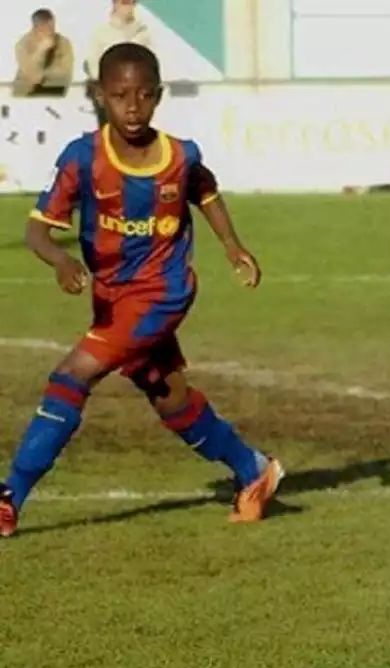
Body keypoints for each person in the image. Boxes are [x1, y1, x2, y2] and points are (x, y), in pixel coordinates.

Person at [0, 43, 284, 539]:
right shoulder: (82, 158)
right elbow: (37, 231)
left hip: (162, 292)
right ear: (99, 96)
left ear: (158, 96)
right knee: (170, 399)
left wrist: (234, 247)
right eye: (119, 95)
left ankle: (9, 498)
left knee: (70, 376)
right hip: (112, 295)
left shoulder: (180, 155)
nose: (132, 107)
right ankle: (254, 469)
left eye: (144, 96)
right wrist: (61, 259)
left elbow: (206, 191)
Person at [85, 0, 152, 126]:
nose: (128, 7)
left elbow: (149, 63)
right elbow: (92, 64)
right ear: (115, 4)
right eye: (124, 2)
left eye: (132, 3)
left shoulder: (142, 32)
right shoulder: (102, 31)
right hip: (112, 93)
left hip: (138, 93)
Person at [12, 8, 75, 98]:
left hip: (55, 90)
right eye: (47, 28)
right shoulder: (22, 44)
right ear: (36, 28)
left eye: (53, 27)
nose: (52, 31)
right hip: (26, 93)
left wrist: (41, 75)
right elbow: (29, 74)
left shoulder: (64, 43)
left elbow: (65, 72)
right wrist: (40, 50)